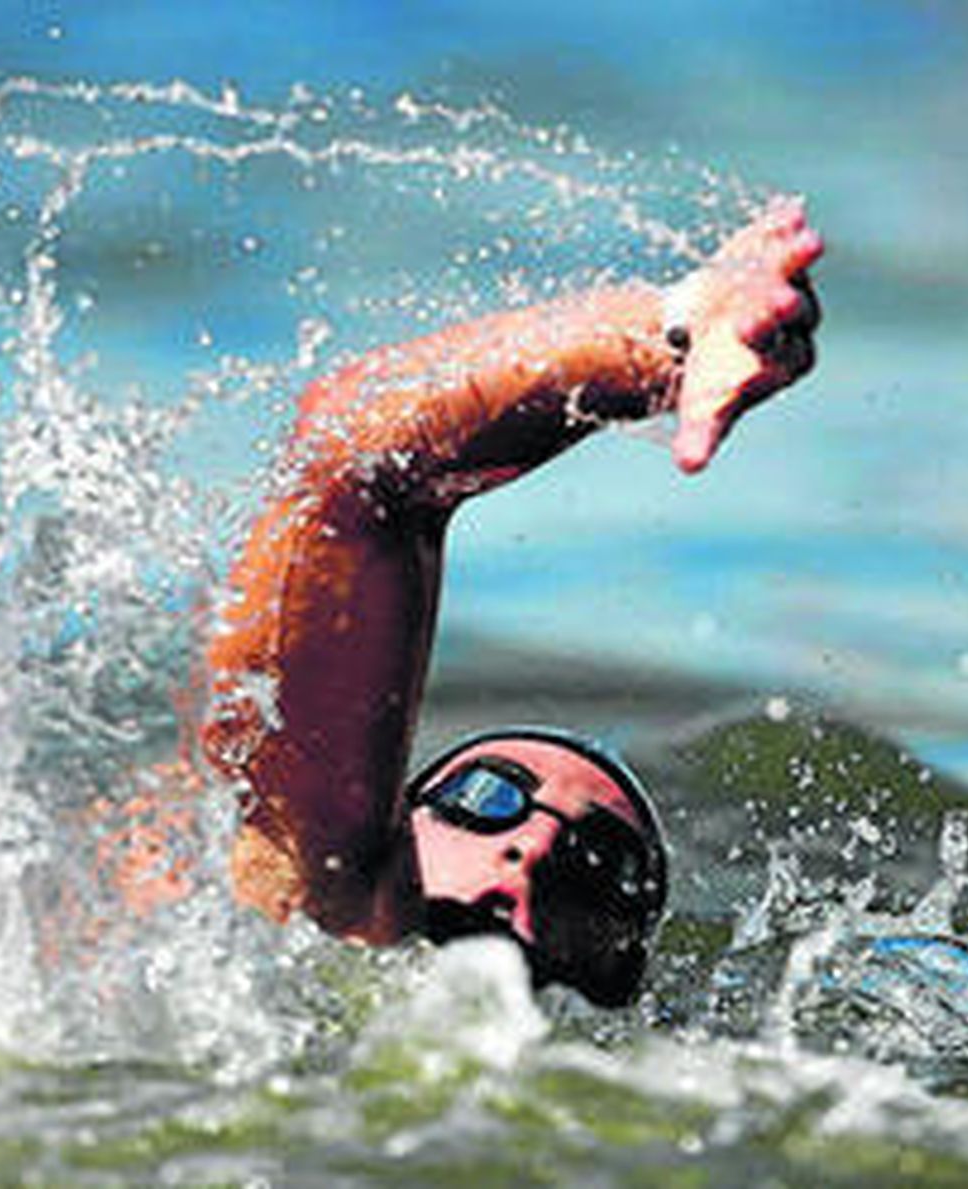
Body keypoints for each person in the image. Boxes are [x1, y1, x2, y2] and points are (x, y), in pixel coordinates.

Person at [185, 197, 824, 1006]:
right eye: (485, 797)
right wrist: (666, 336)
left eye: (600, 865)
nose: (531, 847)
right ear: (395, 821)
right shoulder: (297, 901)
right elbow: (354, 455)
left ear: (620, 971)